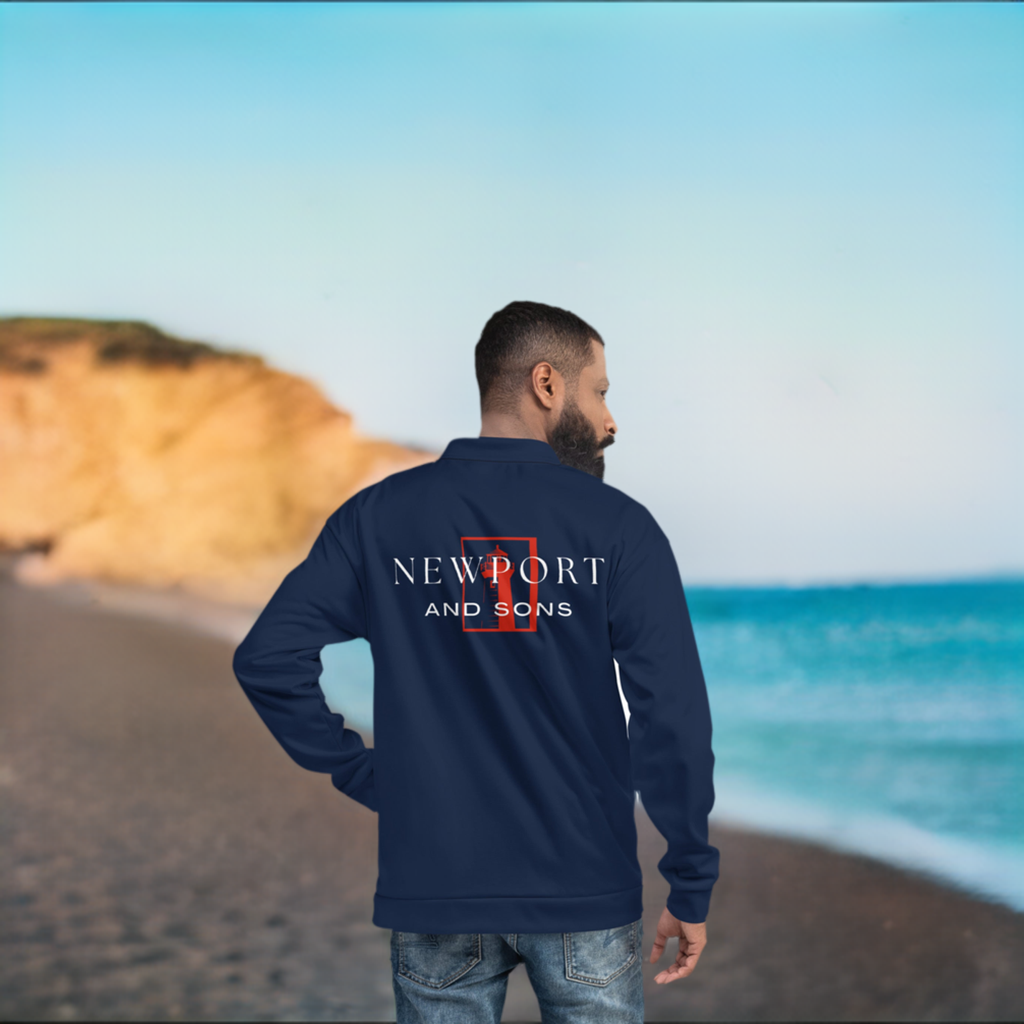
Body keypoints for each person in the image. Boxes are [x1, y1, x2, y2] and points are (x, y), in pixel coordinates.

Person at [232, 300, 720, 1022]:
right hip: (582, 884)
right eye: (602, 391)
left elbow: (268, 657)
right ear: (548, 384)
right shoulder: (619, 528)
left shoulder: (379, 519)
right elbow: (669, 716)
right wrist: (688, 882)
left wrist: (366, 773)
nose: (611, 420)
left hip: (435, 883)